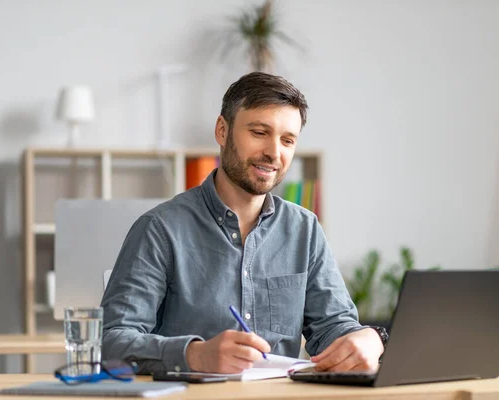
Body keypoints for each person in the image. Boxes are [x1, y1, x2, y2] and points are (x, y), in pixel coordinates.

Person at [101, 72, 385, 375]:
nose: (274, 152)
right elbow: (112, 341)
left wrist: (370, 339)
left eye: (287, 140)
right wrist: (194, 355)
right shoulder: (159, 228)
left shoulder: (305, 229)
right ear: (222, 131)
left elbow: (333, 327)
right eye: (260, 132)